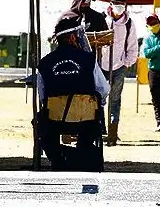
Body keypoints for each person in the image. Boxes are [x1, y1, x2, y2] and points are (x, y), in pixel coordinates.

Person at [36, 11, 109, 168]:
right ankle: (80, 156)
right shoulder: (88, 59)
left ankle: (59, 159)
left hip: (55, 122)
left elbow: (42, 97)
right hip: (87, 122)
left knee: (42, 124)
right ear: (71, 37)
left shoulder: (45, 63)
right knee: (91, 127)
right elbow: (104, 89)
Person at [97, 0, 137, 145]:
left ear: (125, 6)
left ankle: (113, 132)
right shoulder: (103, 19)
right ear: (110, 4)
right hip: (101, 66)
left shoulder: (129, 23)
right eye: (116, 4)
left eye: (121, 4)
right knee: (98, 99)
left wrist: (127, 62)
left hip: (119, 67)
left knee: (115, 100)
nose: (119, 7)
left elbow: (132, 45)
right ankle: (100, 130)